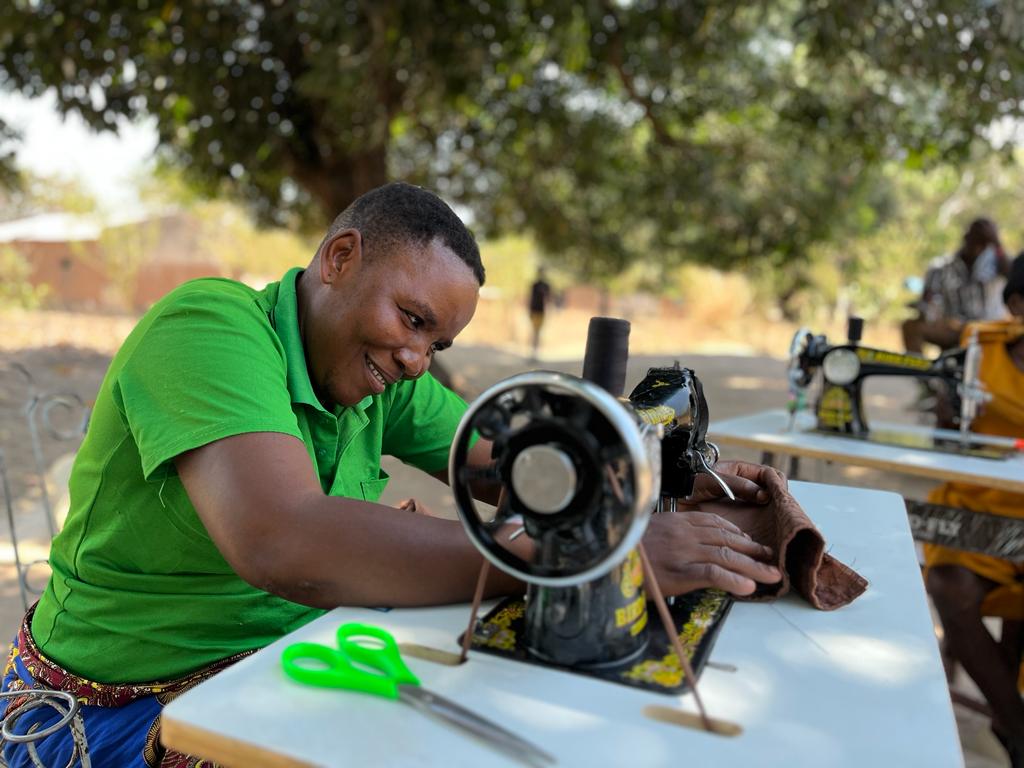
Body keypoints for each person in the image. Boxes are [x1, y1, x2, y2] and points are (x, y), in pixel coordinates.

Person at [0, 182, 782, 767]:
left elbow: (518, 457)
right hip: (112, 715)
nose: (415, 360)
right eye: (412, 320)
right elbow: (286, 541)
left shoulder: (378, 382)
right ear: (341, 257)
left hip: (272, 670)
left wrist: (669, 471)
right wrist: (574, 559)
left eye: (436, 344)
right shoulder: (208, 327)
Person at [924, 254, 1024, 767]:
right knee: (948, 586)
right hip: (976, 512)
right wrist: (945, 414)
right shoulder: (979, 349)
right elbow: (950, 425)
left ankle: (1010, 722)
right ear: (1016, 306)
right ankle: (1018, 727)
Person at [902, 217, 1010, 354]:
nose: (978, 246)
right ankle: (922, 372)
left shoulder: (998, 263)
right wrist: (928, 312)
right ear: (966, 237)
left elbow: (1013, 274)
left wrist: (996, 242)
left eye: (983, 241)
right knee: (911, 327)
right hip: (955, 330)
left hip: (989, 331)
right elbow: (927, 302)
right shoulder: (941, 267)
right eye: (975, 238)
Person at [527, 267, 552, 361]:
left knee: (537, 332)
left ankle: (536, 353)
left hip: (541, 311)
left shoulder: (546, 286)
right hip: (534, 310)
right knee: (534, 332)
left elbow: (549, 299)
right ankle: (532, 353)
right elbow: (530, 298)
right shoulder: (535, 285)